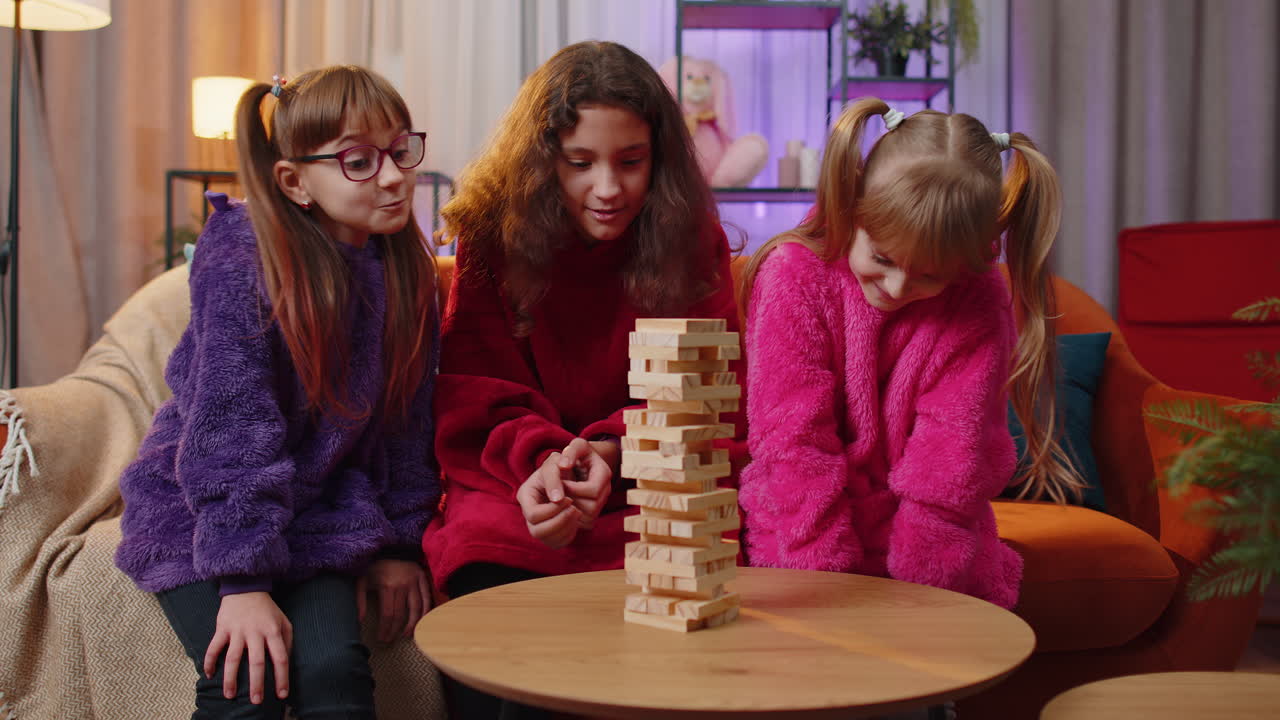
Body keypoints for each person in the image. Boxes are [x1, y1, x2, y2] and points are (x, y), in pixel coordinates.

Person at [422, 40, 744, 718]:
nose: (607, 188)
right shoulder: (492, 235)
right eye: (579, 164)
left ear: (658, 159)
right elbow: (473, 388)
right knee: (483, 559)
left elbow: (705, 394)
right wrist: (544, 459)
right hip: (516, 481)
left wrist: (611, 453)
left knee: (687, 560)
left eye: (631, 162)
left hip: (648, 482)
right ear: (544, 163)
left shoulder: (693, 238)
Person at [114, 65, 440, 718]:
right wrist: (242, 582)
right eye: (359, 161)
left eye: (402, 150)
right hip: (201, 509)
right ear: (294, 182)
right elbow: (229, 424)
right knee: (245, 683)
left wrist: (403, 544)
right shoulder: (241, 262)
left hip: (315, 508)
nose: (395, 175)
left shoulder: (403, 266)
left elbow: (407, 419)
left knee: (334, 672)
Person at [738, 97, 1086, 611]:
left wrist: (926, 593)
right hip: (801, 533)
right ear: (851, 205)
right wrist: (821, 578)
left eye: (930, 275)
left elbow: (954, 454)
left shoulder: (978, 300)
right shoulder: (792, 275)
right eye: (882, 258)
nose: (898, 286)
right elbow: (791, 439)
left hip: (925, 540)